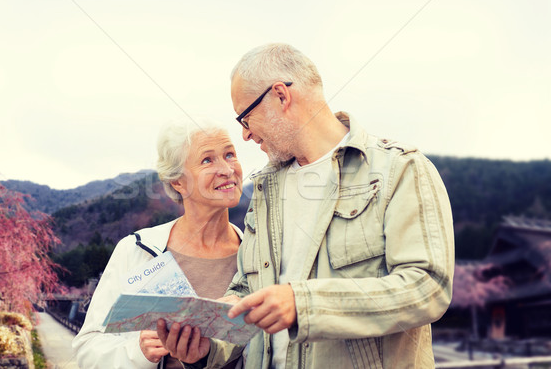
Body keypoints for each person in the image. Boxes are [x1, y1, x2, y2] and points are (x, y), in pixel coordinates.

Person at [157, 43, 455, 369]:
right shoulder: (265, 189)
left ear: (281, 96)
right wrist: (207, 348)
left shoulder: (399, 169)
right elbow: (247, 291)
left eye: (245, 117)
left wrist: (304, 304)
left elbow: (428, 286)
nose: (244, 135)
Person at [72, 118, 245, 369]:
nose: (227, 169)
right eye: (207, 160)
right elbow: (87, 349)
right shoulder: (136, 251)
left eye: (229, 154)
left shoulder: (257, 255)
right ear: (177, 182)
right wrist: (138, 352)